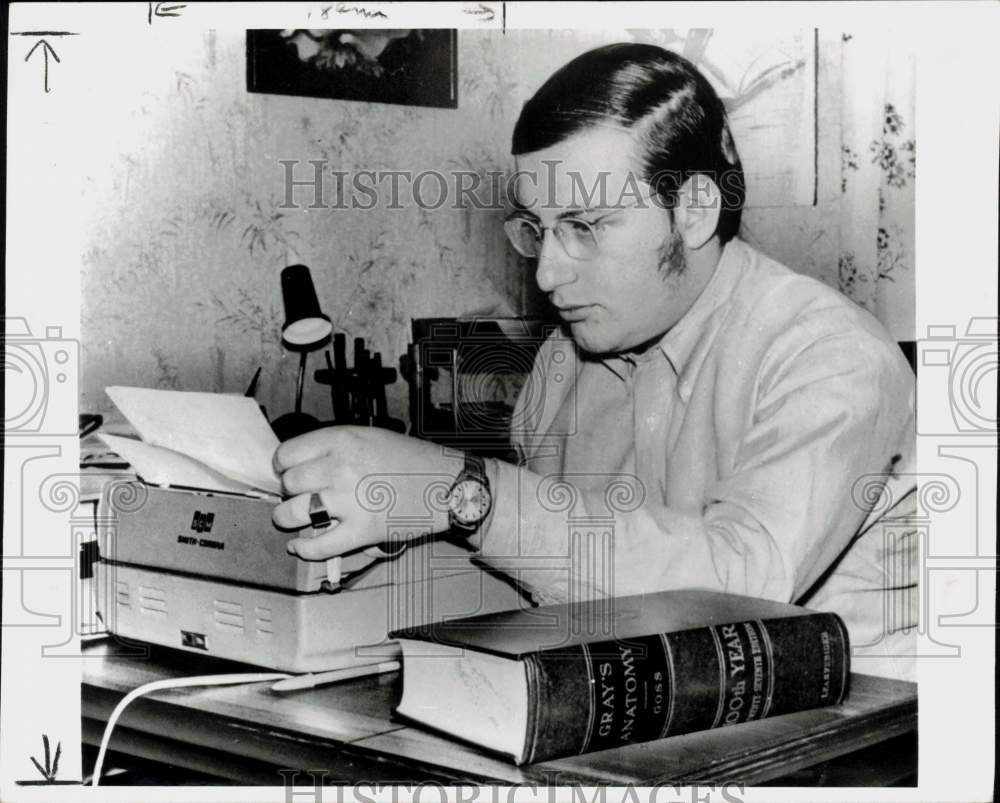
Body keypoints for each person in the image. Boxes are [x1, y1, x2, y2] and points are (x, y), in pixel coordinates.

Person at [272, 44, 917, 680]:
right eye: (536, 230)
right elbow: (552, 564)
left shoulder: (832, 356)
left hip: (861, 737)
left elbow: (738, 591)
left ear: (693, 210)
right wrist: (384, 538)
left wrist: (462, 491)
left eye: (585, 227)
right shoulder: (567, 356)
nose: (547, 273)